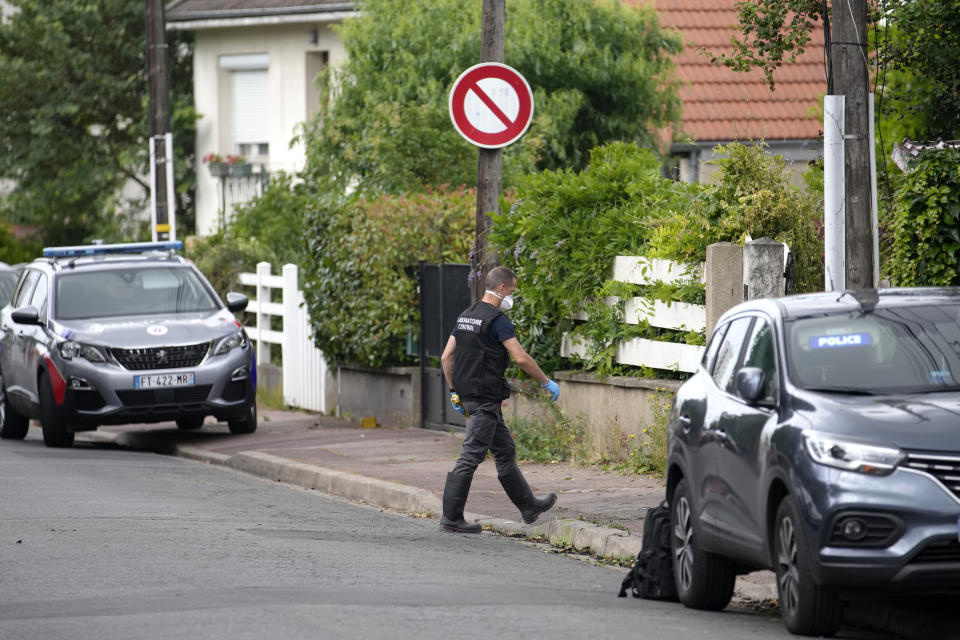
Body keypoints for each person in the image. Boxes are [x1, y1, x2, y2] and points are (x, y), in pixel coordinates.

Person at [438, 266, 561, 533]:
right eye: (512, 291)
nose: (511, 297)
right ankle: (451, 518)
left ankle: (529, 507)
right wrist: (545, 381)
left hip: (470, 396)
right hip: (485, 399)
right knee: (470, 456)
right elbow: (520, 357)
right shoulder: (497, 320)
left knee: (505, 451)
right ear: (502, 288)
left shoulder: (465, 316)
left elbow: (446, 357)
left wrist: (453, 391)